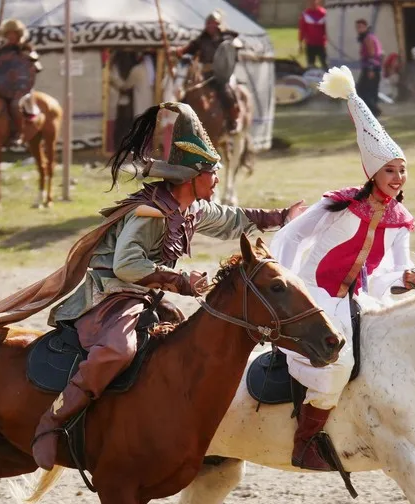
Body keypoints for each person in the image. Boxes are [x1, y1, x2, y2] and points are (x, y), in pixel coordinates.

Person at [30, 102, 307, 469]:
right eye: (212, 172)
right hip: (112, 295)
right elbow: (126, 266)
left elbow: (231, 220)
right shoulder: (151, 213)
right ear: (191, 177)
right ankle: (53, 422)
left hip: (145, 296)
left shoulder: (191, 209)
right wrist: (181, 281)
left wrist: (282, 217)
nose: (217, 180)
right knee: (118, 349)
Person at [270, 66, 415, 472]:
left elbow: (396, 268)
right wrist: (284, 290)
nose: (397, 177)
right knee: (341, 363)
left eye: (401, 170)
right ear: (373, 173)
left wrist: (407, 277)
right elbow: (290, 238)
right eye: (390, 170)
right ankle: (305, 440)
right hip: (312, 296)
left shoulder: (400, 219)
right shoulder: (338, 204)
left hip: (356, 299)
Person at [174, 11, 241, 133]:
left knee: (227, 94)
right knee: (187, 95)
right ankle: (182, 121)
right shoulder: (202, 39)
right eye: (209, 23)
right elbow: (190, 48)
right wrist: (180, 51)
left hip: (220, 76)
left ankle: (233, 120)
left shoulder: (227, 39)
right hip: (204, 76)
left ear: (219, 25)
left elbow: (232, 55)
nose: (211, 26)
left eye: (213, 23)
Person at [0, 19, 42, 146]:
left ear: (19, 34)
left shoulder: (26, 47)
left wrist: (28, 56)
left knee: (15, 104)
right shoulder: (1, 50)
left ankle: (18, 133)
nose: (11, 36)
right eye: (8, 34)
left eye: (13, 33)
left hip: (21, 88)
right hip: (4, 87)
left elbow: (37, 67)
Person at [355, 19, 382, 117]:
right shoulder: (367, 37)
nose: (359, 29)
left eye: (361, 27)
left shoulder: (368, 38)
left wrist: (371, 69)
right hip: (373, 67)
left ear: (366, 27)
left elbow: (372, 54)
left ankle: (375, 111)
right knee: (370, 91)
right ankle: (373, 112)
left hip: (371, 68)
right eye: (357, 27)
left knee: (362, 91)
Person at [298, 0, 328, 71]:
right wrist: (300, 44)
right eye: (310, 1)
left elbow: (328, 29)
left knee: (324, 63)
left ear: (318, 1)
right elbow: (302, 30)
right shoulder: (305, 14)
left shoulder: (324, 13)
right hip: (310, 44)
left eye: (314, 1)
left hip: (321, 44)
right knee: (310, 65)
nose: (312, 3)